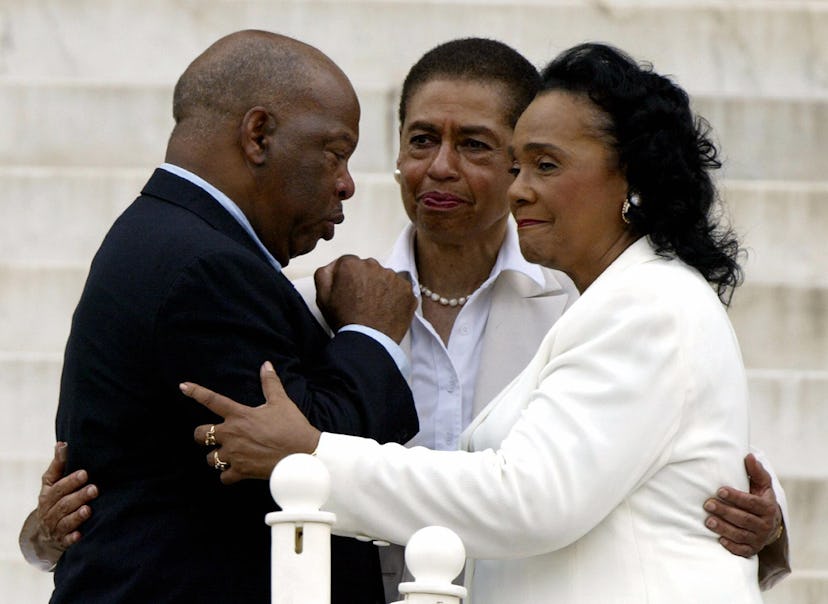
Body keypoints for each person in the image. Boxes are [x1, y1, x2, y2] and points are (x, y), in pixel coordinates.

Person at [24, 38, 789, 599]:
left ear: (629, 180)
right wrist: (50, 531)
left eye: (493, 151)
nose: (445, 168)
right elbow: (162, 461)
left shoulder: (599, 302)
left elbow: (673, 455)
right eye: (423, 140)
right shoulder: (343, 301)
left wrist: (769, 514)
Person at [31, 30, 419, 604]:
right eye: (336, 153)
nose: (347, 183)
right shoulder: (204, 266)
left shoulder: (173, 237)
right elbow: (312, 459)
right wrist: (371, 333)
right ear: (258, 134)